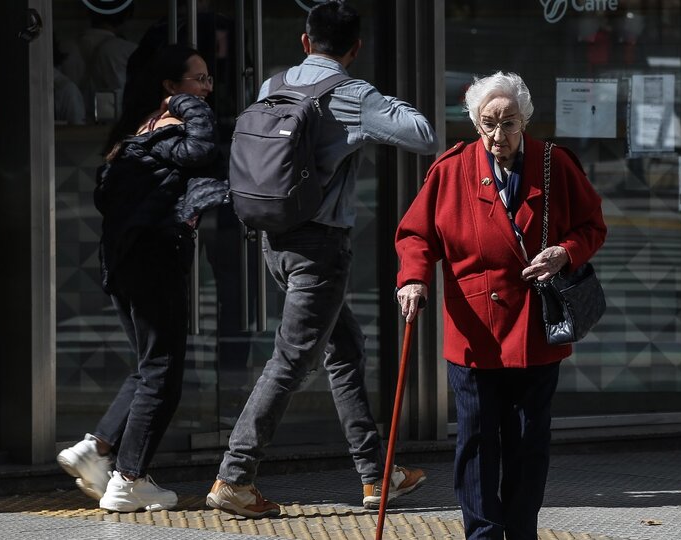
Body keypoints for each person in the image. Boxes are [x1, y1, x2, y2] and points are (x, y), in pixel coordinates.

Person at [205, 0, 439, 518]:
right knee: (292, 360)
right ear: (354, 49)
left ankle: (377, 476)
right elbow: (423, 135)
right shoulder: (352, 94)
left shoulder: (273, 86)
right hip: (319, 250)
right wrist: (372, 101)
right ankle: (234, 476)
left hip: (273, 238)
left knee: (345, 346)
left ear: (305, 41)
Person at [394, 72, 607, 539]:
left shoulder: (555, 165)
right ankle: (483, 533)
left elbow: (592, 225)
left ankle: (521, 530)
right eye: (488, 123)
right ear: (474, 124)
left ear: (525, 120)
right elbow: (415, 234)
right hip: (473, 331)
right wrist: (412, 279)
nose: (498, 136)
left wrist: (565, 252)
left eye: (509, 123)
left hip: (534, 332)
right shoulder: (451, 170)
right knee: (475, 442)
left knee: (528, 443)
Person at [56, 44, 227, 513]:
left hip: (126, 262)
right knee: (163, 373)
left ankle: (98, 448)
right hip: (154, 261)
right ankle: (129, 478)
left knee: (150, 363)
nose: (207, 88)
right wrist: (187, 105)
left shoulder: (137, 130)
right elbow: (204, 148)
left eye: (208, 80)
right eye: (198, 80)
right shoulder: (173, 128)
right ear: (169, 87)